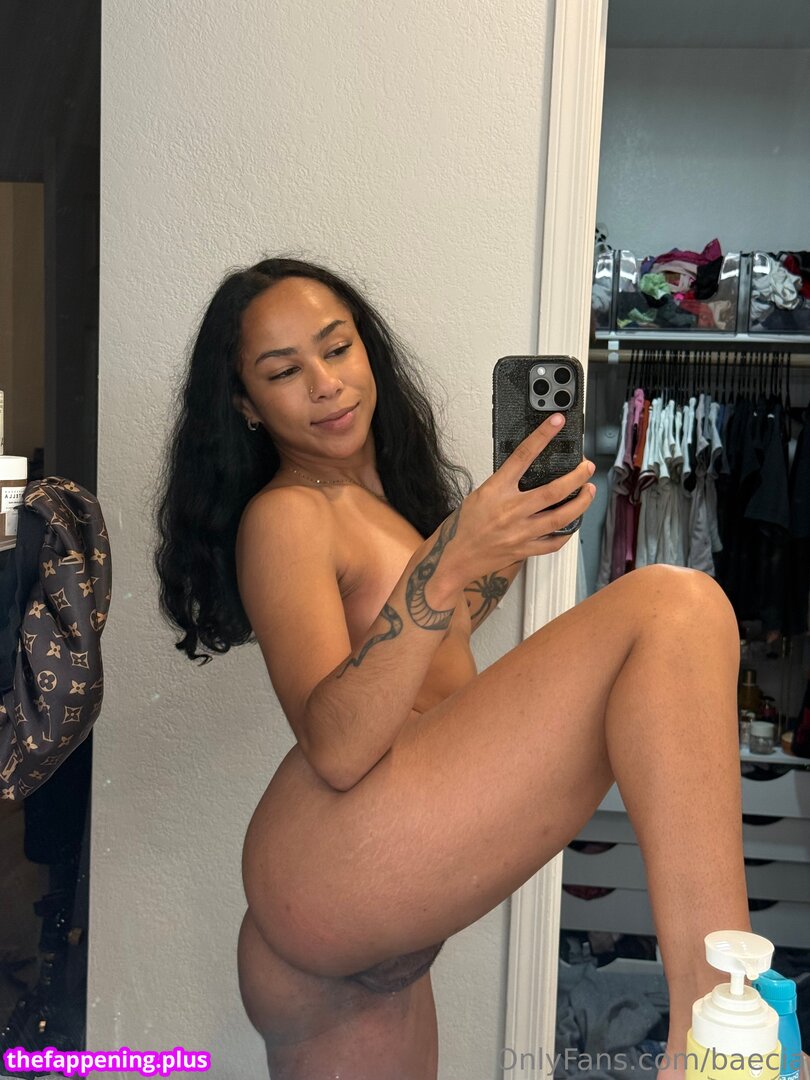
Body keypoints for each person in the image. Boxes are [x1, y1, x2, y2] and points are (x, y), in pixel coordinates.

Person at [155, 256, 751, 1079]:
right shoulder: (287, 515)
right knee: (675, 608)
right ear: (246, 405)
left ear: (368, 350)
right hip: (330, 856)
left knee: (665, 629)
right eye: (284, 372)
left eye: (337, 348)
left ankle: (716, 1032)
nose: (325, 384)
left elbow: (432, 639)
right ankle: (716, 1034)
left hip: (373, 875)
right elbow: (335, 747)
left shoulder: (374, 508)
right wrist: (449, 561)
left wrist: (503, 547)